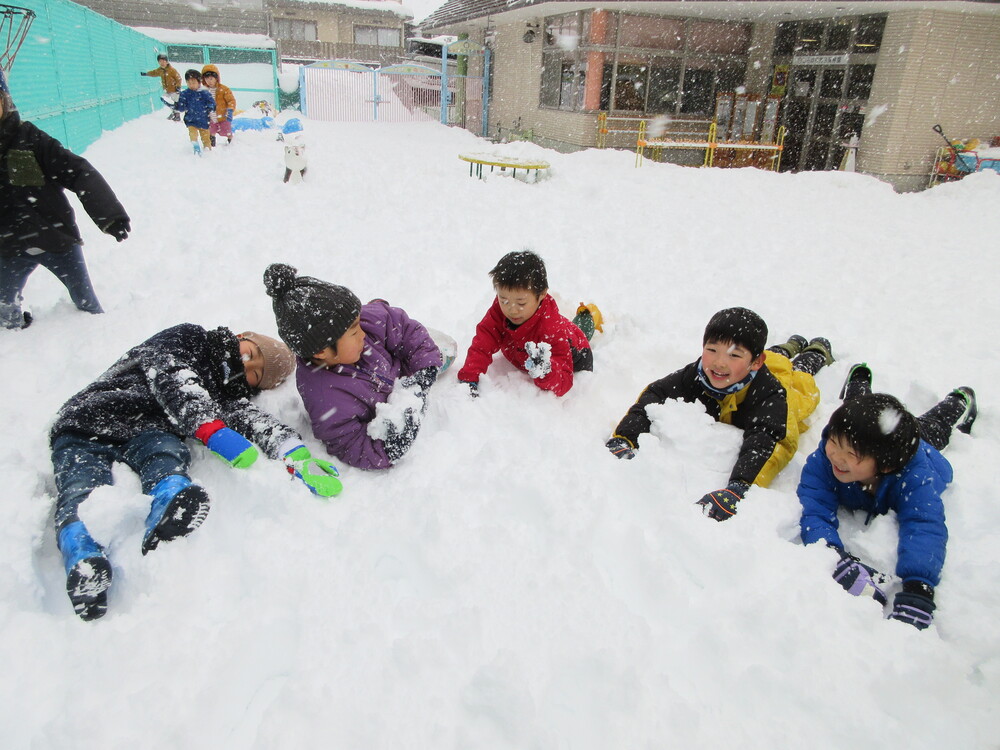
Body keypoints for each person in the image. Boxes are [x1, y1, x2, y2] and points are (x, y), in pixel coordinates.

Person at [49, 324, 343, 621]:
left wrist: (292, 451)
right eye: (251, 353)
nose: (247, 363)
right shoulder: (191, 339)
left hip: (148, 432)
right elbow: (170, 372)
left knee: (168, 454)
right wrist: (208, 426)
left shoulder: (221, 394)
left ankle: (168, 500)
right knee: (80, 486)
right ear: (241, 337)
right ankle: (83, 555)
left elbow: (251, 419)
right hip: (90, 420)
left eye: (255, 372)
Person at [606, 307, 833, 521]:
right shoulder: (696, 375)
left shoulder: (771, 396)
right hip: (758, 364)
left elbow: (770, 442)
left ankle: (815, 353)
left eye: (734, 355)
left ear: (755, 362)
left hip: (785, 387)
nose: (719, 362)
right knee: (777, 357)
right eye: (712, 350)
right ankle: (789, 346)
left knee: (801, 379)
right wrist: (626, 436)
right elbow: (656, 394)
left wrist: (739, 486)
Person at [797, 363, 977, 631]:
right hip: (876, 436)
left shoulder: (915, 477)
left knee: (932, 426)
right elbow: (815, 506)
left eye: (851, 455)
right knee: (857, 416)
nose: (836, 456)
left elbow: (924, 524)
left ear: (885, 465)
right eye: (834, 442)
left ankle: (958, 401)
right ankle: (858, 384)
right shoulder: (826, 457)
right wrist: (832, 553)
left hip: (918, 446)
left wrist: (919, 587)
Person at [264, 263, 443, 470]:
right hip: (381, 403)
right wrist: (390, 447)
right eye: (353, 331)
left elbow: (402, 326)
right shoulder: (325, 397)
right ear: (321, 351)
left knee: (436, 348)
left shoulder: (364, 322)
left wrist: (424, 371)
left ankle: (419, 350)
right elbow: (349, 444)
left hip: (397, 365)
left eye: (358, 324)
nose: (362, 333)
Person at [0, 84, 130, 330]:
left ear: (5, 102)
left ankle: (101, 336)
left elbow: (79, 172)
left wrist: (109, 215)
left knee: (86, 302)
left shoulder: (30, 139)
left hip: (55, 238)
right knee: (4, 308)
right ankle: (17, 338)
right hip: (9, 245)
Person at [456, 249, 597, 398]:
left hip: (577, 351)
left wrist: (546, 371)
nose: (512, 310)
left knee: (580, 333)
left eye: (521, 303)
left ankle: (587, 317)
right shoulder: (500, 310)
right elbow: (483, 343)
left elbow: (563, 383)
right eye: (504, 300)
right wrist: (469, 378)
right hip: (524, 349)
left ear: (542, 294)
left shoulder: (551, 329)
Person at [167, 70, 216, 155]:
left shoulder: (204, 93)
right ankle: (195, 146)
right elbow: (182, 107)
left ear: (199, 82)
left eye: (193, 82)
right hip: (191, 120)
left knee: (205, 137)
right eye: (189, 83)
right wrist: (177, 107)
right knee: (192, 134)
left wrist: (211, 108)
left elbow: (211, 103)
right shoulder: (185, 94)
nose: (191, 85)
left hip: (203, 120)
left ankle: (207, 150)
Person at [201, 65, 237, 147]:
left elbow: (231, 100)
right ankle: (212, 144)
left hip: (223, 116)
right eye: (207, 79)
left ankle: (231, 142)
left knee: (227, 131)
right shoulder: (203, 91)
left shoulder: (224, 89)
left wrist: (230, 110)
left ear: (216, 78)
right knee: (211, 131)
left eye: (211, 79)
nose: (209, 81)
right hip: (211, 116)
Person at [141, 54, 182, 121]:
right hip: (167, 90)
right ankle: (173, 113)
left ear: (167, 61)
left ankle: (177, 116)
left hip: (174, 89)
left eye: (163, 61)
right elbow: (154, 73)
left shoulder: (172, 70)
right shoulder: (160, 70)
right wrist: (146, 74)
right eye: (160, 61)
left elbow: (178, 78)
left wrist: (178, 87)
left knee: (176, 102)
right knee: (164, 99)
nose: (162, 63)